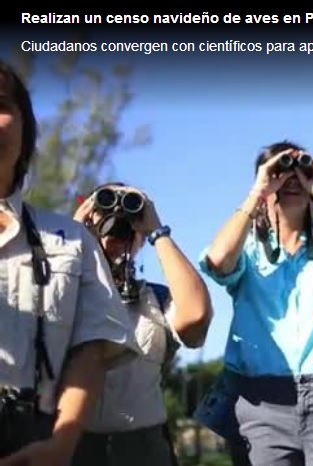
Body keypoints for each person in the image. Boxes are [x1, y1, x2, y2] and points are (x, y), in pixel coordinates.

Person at [200, 141, 313, 466]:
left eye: (300, 172)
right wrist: (258, 191)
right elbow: (218, 260)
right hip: (262, 401)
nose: (292, 180)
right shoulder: (248, 250)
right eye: (280, 172)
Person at [0, 60, 138, 465]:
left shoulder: (73, 240)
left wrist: (61, 443)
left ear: (26, 130)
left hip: (35, 437)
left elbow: (92, 350)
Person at [69, 183, 214, 466]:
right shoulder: (63, 288)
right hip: (70, 442)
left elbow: (196, 315)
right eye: (107, 206)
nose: (117, 221)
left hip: (143, 447)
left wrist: (156, 231)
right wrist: (75, 238)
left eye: (130, 209)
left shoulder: (155, 299)